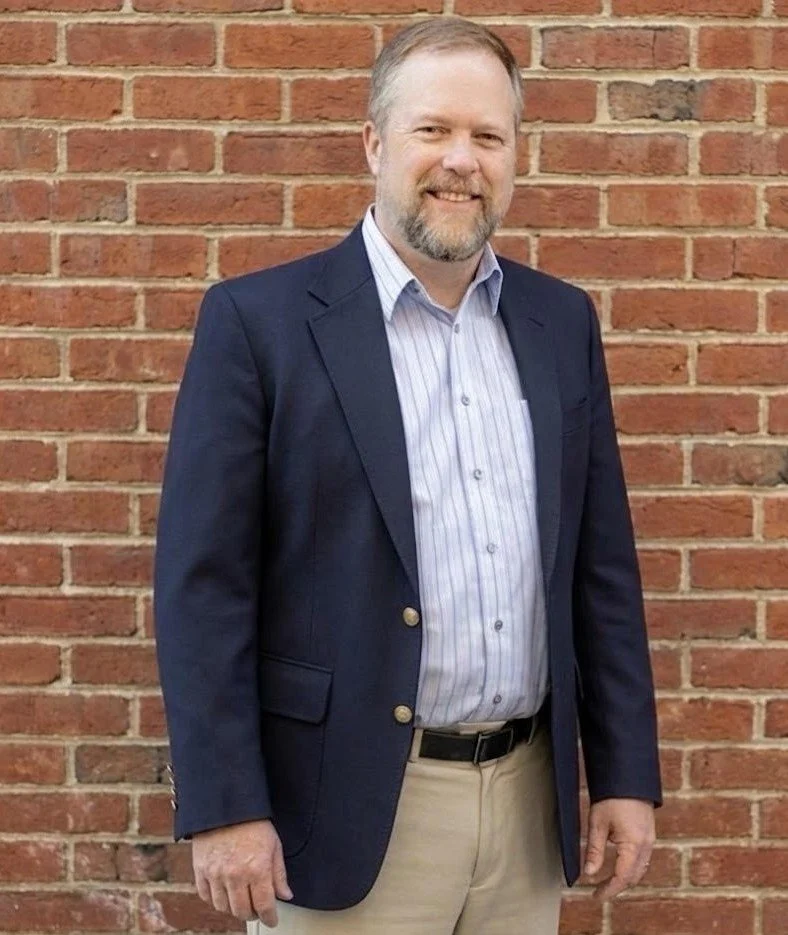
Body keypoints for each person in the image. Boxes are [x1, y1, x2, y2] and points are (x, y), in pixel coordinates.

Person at [153, 16, 661, 935]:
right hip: (347, 808)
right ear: (376, 143)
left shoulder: (559, 325)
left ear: (514, 154)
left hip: (526, 801)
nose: (460, 160)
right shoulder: (259, 325)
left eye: (487, 136)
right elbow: (203, 586)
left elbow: (601, 571)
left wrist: (623, 773)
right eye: (433, 130)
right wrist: (226, 804)